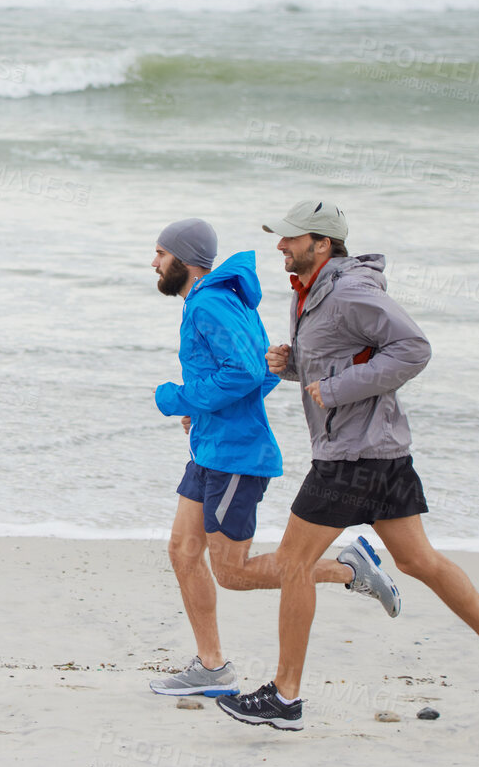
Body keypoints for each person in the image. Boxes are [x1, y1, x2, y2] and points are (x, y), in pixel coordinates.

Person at [215, 201, 479, 731]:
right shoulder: (311, 293)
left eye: (291, 239)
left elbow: (413, 348)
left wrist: (336, 388)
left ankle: (286, 695)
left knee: (294, 565)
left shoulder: (349, 290)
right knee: (419, 563)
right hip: (377, 452)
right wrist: (294, 365)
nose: (280, 246)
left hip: (352, 455)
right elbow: (348, 358)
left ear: (322, 244)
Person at [146, 218, 399, 700]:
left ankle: (348, 569)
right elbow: (263, 370)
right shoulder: (221, 301)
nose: (153, 262)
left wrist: (179, 399)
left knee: (233, 573)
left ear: (185, 260)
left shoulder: (209, 304)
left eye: (160, 253)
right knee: (182, 552)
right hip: (212, 449)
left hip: (235, 459)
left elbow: (242, 373)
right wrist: (204, 413)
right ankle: (212, 667)